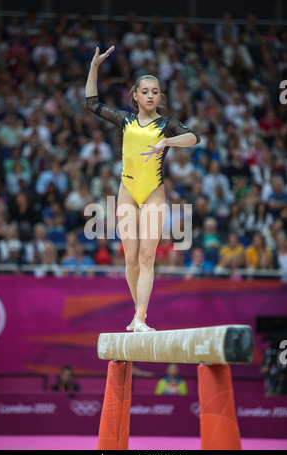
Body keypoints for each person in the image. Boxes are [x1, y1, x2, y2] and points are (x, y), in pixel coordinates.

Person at [85, 46, 200, 332]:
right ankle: (138, 316)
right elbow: (91, 103)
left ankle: (140, 318)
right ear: (135, 96)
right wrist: (94, 67)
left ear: (160, 96)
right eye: (145, 91)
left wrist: (167, 142)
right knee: (131, 259)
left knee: (148, 257)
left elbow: (193, 137)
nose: (150, 95)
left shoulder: (166, 125)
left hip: (152, 193)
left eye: (155, 91)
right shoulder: (125, 120)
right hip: (127, 191)